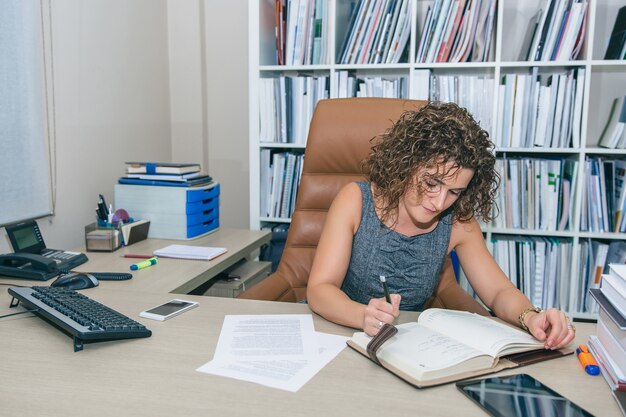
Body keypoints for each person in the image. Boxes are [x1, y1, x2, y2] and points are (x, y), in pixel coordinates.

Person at [306, 102, 575, 350]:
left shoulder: (458, 221)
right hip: (338, 333)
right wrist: (363, 315)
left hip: (408, 345)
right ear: (406, 164)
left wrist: (531, 317)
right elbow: (320, 289)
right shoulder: (356, 200)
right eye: (432, 183)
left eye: (454, 192)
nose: (439, 202)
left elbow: (498, 292)